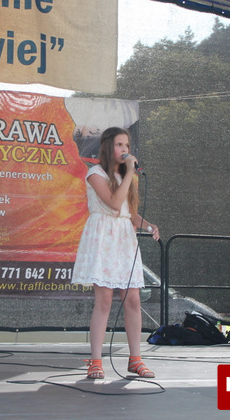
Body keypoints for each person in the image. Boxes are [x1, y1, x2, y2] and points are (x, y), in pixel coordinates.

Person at [72, 127, 160, 379]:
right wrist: (130, 172)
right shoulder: (95, 174)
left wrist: (148, 225)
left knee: (133, 299)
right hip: (103, 238)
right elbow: (112, 203)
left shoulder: (126, 177)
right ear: (108, 147)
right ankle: (96, 362)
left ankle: (136, 360)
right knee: (105, 301)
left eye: (127, 145)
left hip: (124, 239)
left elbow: (128, 212)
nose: (125, 149)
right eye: (120, 145)